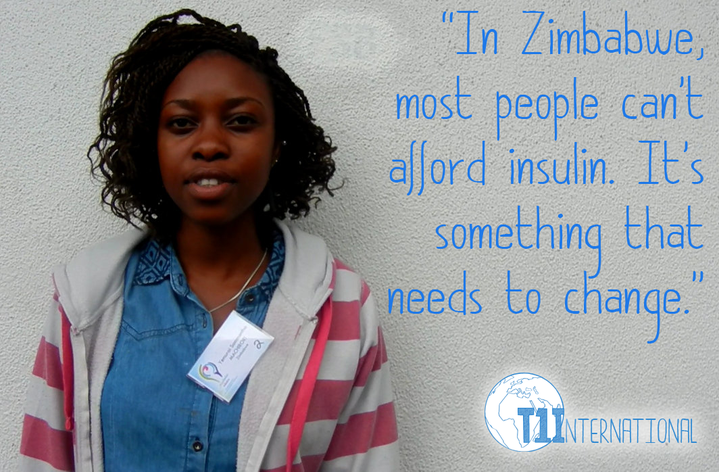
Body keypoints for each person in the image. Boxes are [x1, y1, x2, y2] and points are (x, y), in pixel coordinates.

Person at [20, 9, 398, 472]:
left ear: (278, 144)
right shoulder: (84, 301)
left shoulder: (342, 307)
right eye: (181, 124)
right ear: (150, 143)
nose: (210, 144)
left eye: (240, 122)